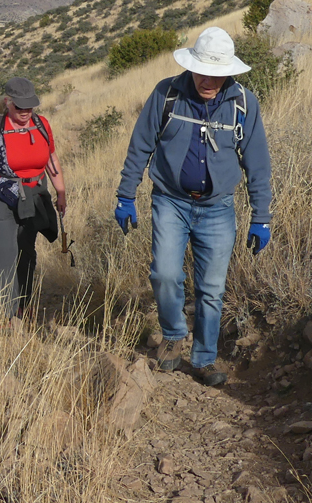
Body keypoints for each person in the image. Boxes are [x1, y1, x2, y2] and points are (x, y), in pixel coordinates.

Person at [114, 26, 272, 386]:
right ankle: (172, 338)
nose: (208, 80)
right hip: (170, 200)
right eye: (203, 71)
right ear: (192, 66)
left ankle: (203, 358)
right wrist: (125, 195)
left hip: (217, 208)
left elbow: (258, 164)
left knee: (212, 289)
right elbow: (140, 145)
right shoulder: (166, 94)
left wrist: (261, 218)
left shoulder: (244, 104)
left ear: (228, 71)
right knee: (165, 274)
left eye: (216, 74)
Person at [0, 77, 67, 320]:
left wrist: (61, 193)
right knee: (6, 252)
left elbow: (52, 160)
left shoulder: (42, 125)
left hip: (32, 196)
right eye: (20, 107)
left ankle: (23, 303)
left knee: (26, 251)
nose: (26, 112)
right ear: (8, 102)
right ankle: (2, 314)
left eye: (30, 106)